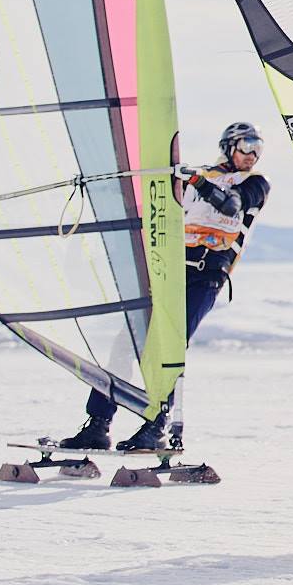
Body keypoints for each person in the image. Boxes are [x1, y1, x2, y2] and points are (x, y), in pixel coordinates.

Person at [57, 122, 270, 452]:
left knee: (168, 349)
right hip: (170, 273)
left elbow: (231, 205)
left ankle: (156, 427)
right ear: (229, 147)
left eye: (258, 147)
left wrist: (196, 181)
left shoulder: (254, 183)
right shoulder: (198, 177)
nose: (252, 154)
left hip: (205, 279)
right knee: (125, 344)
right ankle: (98, 424)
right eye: (247, 145)